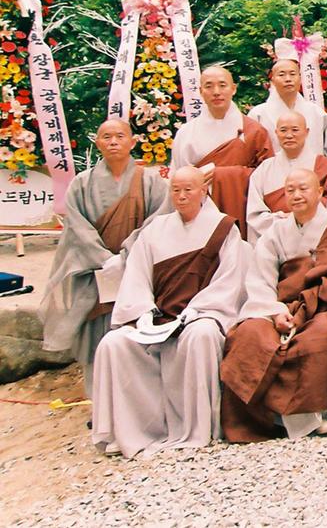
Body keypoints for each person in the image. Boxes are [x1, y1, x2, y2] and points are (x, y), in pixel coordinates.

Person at [90, 167, 250, 457]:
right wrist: (144, 313)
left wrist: (194, 312)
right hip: (158, 316)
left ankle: (200, 427)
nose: (182, 195)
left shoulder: (223, 228)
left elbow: (229, 281)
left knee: (201, 336)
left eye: (189, 189)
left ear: (204, 191)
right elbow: (136, 278)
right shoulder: (155, 230)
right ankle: (128, 430)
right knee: (113, 344)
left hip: (201, 314)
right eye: (176, 190)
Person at [220, 169, 327, 442]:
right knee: (250, 334)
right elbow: (260, 277)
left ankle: (312, 414)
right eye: (290, 190)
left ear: (320, 192)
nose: (296, 195)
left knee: (325, 334)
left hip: (322, 305)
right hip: (278, 305)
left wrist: (303, 310)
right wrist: (274, 311)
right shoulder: (276, 231)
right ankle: (260, 417)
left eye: (303, 188)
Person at [39, 119, 169, 395]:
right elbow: (76, 225)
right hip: (94, 270)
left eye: (120, 136)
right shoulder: (82, 184)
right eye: (106, 137)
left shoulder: (150, 181)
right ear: (97, 143)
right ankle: (99, 404)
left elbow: (158, 219)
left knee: (138, 331)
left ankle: (138, 400)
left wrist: (125, 258)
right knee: (96, 335)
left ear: (132, 142)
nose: (113, 142)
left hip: (137, 267)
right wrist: (103, 260)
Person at [171, 65, 273, 237]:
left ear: (233, 89)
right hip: (197, 211)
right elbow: (176, 179)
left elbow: (268, 177)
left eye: (222, 85)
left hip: (241, 209)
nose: (216, 92)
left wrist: (225, 174)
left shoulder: (253, 131)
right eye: (209, 86)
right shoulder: (186, 133)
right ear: (200, 91)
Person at [245, 112, 327, 244]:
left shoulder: (324, 165)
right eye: (283, 130)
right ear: (276, 133)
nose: (289, 135)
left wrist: (301, 218)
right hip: (275, 241)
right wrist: (287, 222)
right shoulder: (264, 170)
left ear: (307, 132)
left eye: (295, 130)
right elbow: (255, 216)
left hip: (317, 240)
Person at [247, 58, 327, 156]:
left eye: (292, 74)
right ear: (273, 80)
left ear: (300, 79)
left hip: (312, 168)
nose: (288, 79)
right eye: (281, 74)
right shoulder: (258, 114)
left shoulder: (316, 112)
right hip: (272, 169)